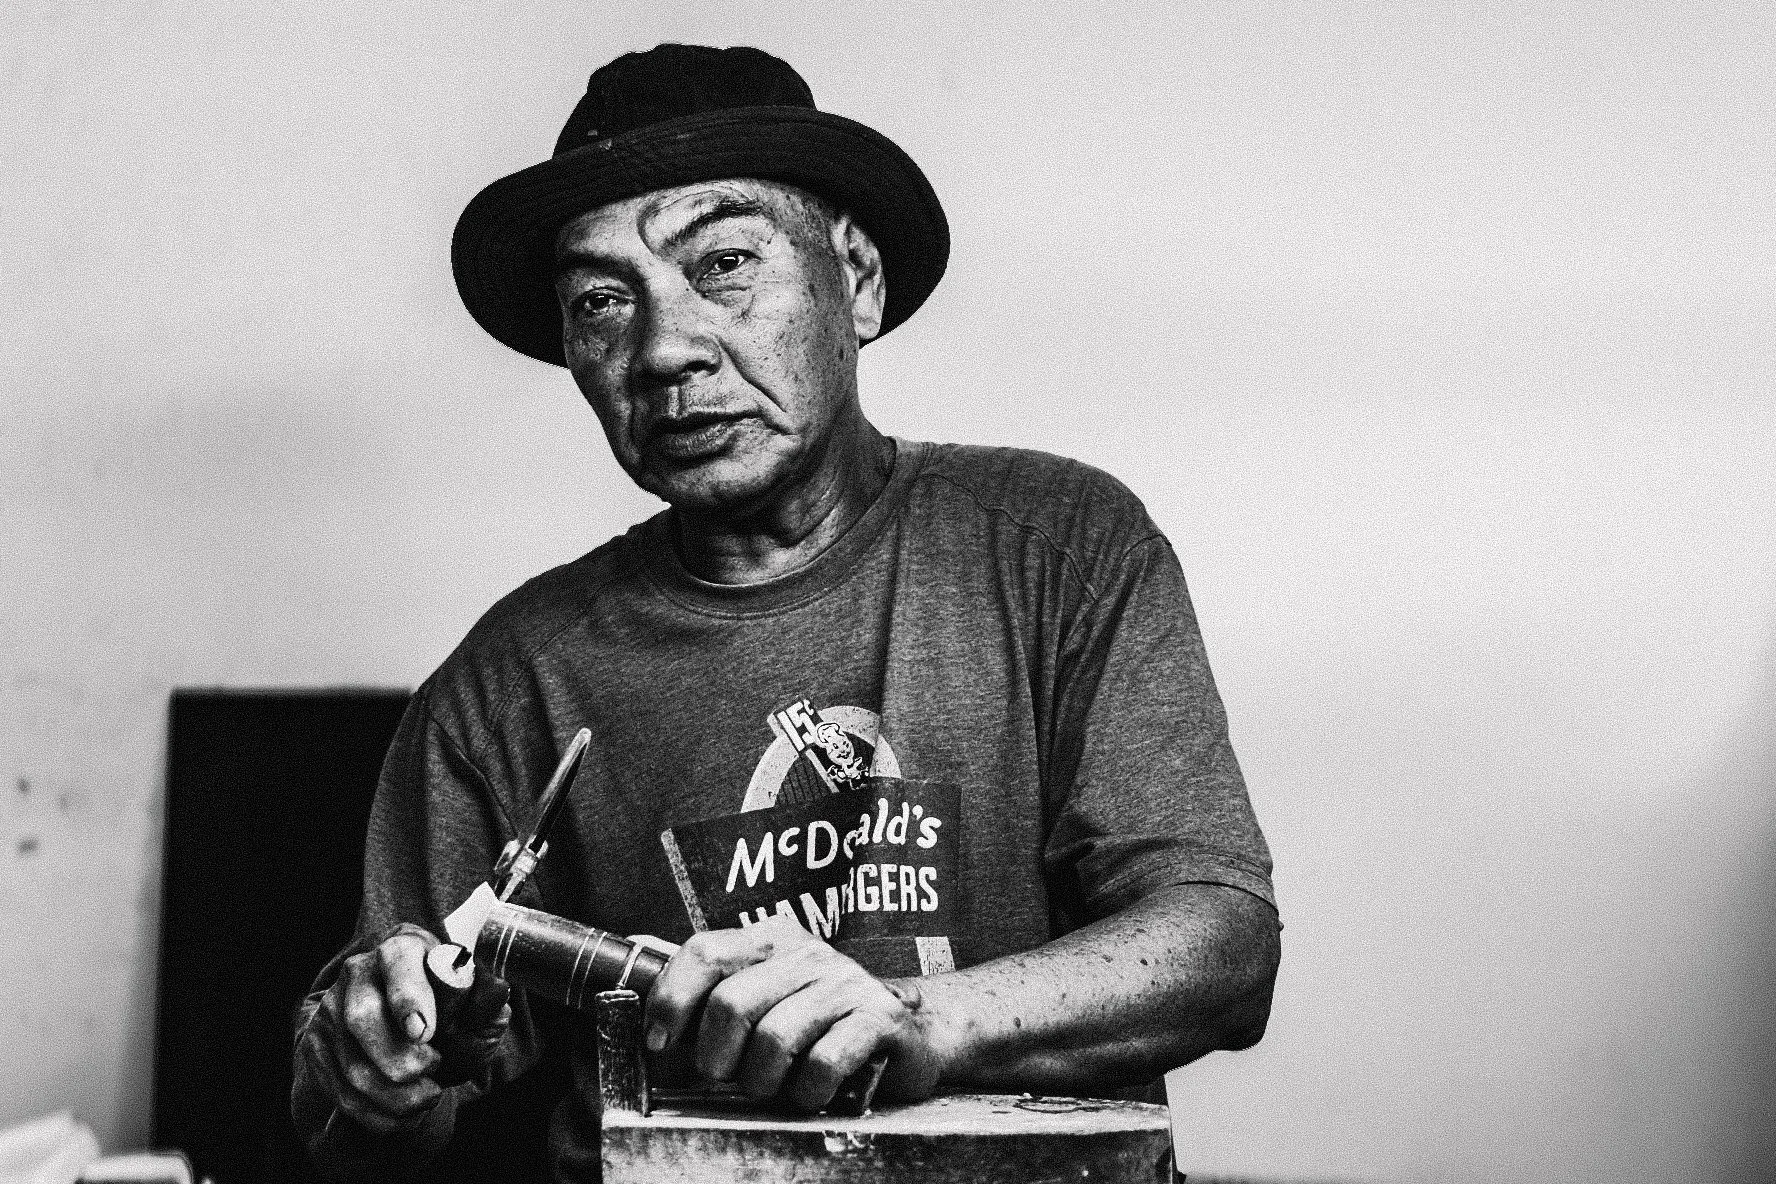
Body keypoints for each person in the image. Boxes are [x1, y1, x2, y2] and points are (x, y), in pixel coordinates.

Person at [290, 42, 1281, 1183]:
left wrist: (919, 1020)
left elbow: (1224, 944)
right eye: (603, 302)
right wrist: (370, 1062)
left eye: (722, 264)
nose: (663, 349)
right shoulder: (510, 680)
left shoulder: (1059, 548)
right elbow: (375, 1138)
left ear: (854, 279)